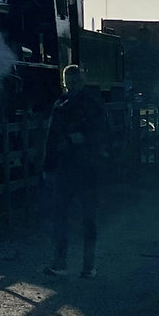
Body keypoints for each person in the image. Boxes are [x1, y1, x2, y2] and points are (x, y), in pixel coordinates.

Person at [43, 65, 109, 279]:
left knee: (84, 217)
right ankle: (66, 262)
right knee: (63, 216)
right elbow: (51, 139)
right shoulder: (64, 105)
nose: (72, 87)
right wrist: (48, 166)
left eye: (75, 83)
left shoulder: (82, 105)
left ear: (81, 82)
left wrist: (84, 139)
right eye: (70, 83)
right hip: (72, 168)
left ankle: (85, 264)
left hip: (83, 167)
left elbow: (104, 132)